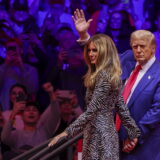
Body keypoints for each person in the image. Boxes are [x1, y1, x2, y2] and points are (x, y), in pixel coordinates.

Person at [48, 9, 141, 160]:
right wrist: (133, 133)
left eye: (95, 51)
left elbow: (92, 111)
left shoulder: (105, 77)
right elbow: (121, 108)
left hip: (100, 138)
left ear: (104, 52)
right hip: (99, 135)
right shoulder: (106, 75)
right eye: (89, 50)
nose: (90, 54)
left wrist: (66, 132)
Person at [118, 30, 160, 160]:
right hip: (119, 144)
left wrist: (134, 135)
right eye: (135, 47)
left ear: (153, 48)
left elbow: (157, 109)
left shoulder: (158, 73)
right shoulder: (128, 66)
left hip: (145, 147)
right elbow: (104, 57)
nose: (139, 50)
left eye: (143, 46)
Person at [1, 82, 60, 159]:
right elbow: (4, 138)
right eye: (28, 110)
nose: (31, 112)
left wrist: (51, 93)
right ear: (22, 116)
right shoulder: (16, 134)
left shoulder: (45, 131)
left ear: (39, 116)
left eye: (34, 110)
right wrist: (14, 113)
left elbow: (55, 114)